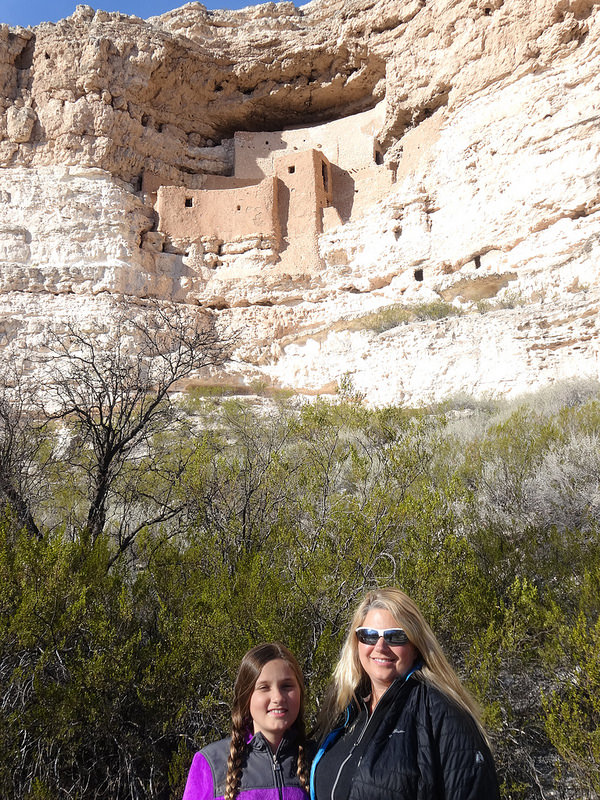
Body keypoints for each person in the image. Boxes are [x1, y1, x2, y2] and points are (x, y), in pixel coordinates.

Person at [310, 588, 500, 800]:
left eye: (395, 637)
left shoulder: (442, 713)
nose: (380, 647)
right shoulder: (345, 710)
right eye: (369, 636)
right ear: (357, 643)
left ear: (416, 645)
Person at [183, 641, 313, 800]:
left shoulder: (319, 758)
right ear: (246, 697)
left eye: (287, 686)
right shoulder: (210, 762)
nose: (278, 697)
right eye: (264, 687)